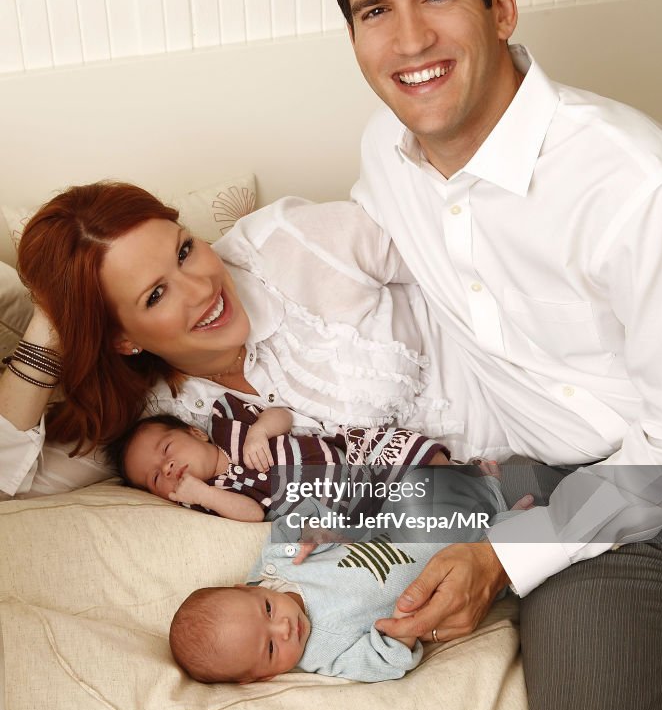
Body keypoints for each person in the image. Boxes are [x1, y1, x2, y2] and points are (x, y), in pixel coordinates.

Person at [324, 0, 662, 710]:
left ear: (501, 5)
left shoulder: (632, 183)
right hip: (575, 503)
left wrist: (502, 556)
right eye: (374, 11)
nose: (409, 40)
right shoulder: (382, 156)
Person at [0, 183, 498, 501]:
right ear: (121, 339)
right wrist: (51, 317)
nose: (202, 288)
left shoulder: (285, 242)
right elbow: (10, 480)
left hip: (532, 407)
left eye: (185, 250)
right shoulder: (155, 418)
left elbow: (484, 265)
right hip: (495, 510)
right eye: (155, 295)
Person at [169, 500, 515, 684]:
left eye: (268, 611)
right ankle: (514, 525)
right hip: (452, 583)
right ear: (262, 677)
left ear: (246, 587)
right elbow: (379, 663)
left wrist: (312, 529)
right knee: (510, 546)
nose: (284, 628)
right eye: (271, 648)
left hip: (412, 526)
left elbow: (299, 514)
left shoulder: (276, 563)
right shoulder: (322, 655)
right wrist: (401, 632)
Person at [109, 394, 455, 520]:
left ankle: (463, 483)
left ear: (195, 433)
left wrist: (260, 430)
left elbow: (282, 415)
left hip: (352, 460)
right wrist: (203, 494)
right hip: (341, 514)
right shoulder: (208, 500)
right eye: (155, 477)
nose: (167, 466)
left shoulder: (228, 424)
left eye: (166, 449)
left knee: (402, 451)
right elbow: (253, 513)